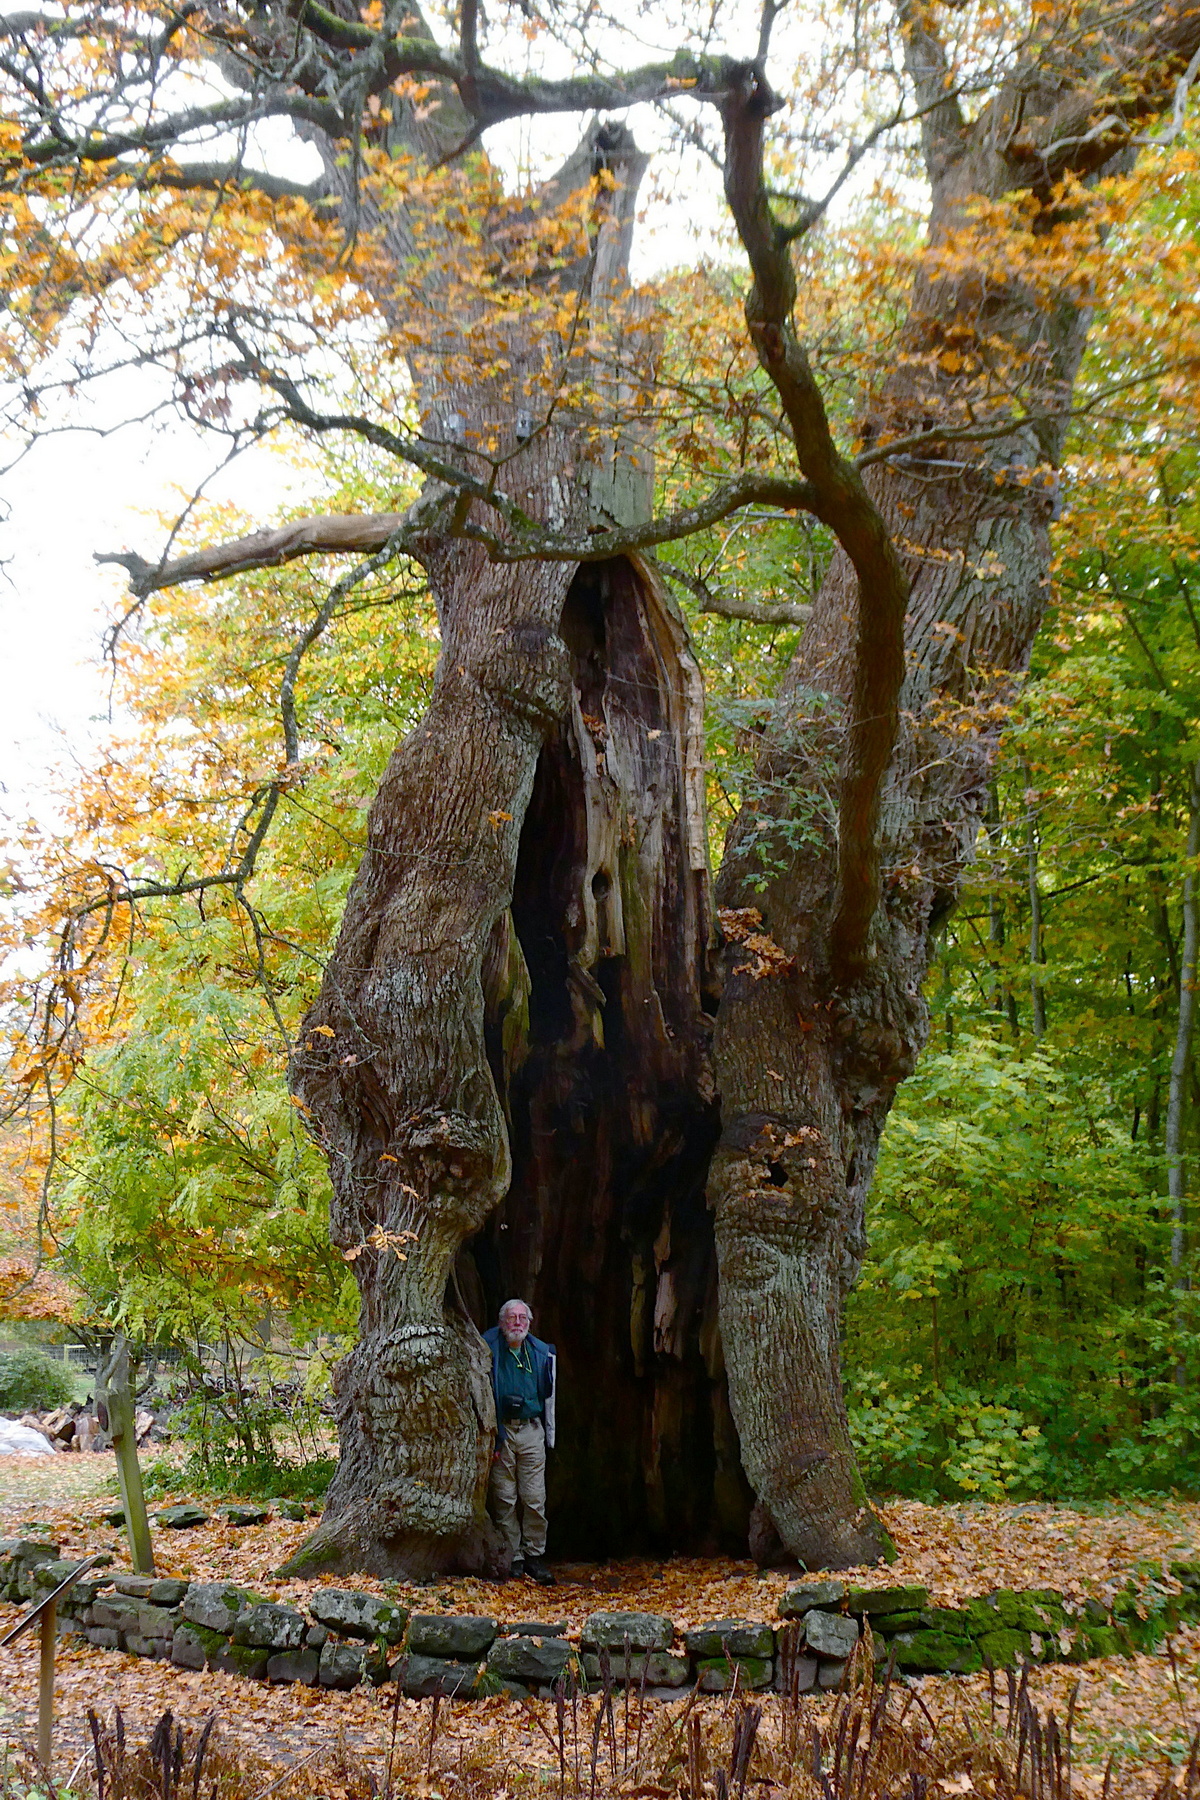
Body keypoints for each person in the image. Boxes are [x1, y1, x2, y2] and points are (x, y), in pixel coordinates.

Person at [484, 1298, 556, 1585]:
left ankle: (534, 1555)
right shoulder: (488, 1349)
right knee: (504, 1498)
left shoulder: (540, 1352)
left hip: (530, 1431)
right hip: (503, 1432)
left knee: (534, 1497)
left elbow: (549, 1396)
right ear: (502, 1322)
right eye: (511, 1318)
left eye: (522, 1318)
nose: (517, 1323)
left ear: (529, 1322)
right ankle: (513, 1557)